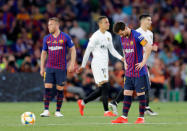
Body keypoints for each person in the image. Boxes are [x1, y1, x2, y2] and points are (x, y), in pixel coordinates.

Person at [109, 14, 158, 116]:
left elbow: (148, 47)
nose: (121, 36)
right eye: (148, 20)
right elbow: (125, 49)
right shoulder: (124, 37)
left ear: (125, 28)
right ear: (143, 21)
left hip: (141, 65)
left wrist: (144, 62)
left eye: (121, 33)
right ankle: (124, 115)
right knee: (128, 91)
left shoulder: (142, 34)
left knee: (142, 91)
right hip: (131, 68)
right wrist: (125, 61)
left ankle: (142, 114)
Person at [77, 16, 124, 117]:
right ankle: (106, 111)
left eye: (108, 22)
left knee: (101, 89)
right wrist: (83, 65)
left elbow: (112, 50)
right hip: (97, 64)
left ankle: (82, 102)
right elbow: (88, 51)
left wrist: (121, 58)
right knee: (106, 86)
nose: (108, 24)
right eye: (106, 22)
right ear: (100, 24)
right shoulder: (95, 37)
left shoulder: (108, 35)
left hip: (104, 64)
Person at [40, 17, 76, 117]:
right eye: (48, 25)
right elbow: (43, 53)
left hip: (61, 67)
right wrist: (42, 68)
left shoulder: (65, 37)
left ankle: (57, 111)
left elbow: (73, 49)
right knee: (47, 87)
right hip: (49, 67)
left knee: (60, 88)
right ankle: (46, 110)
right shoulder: (46, 38)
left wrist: (72, 63)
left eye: (50, 24)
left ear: (57, 25)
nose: (48, 27)